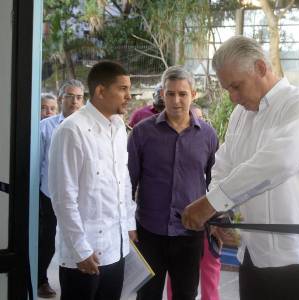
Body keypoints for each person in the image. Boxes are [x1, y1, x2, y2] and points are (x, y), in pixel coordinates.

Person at [182, 36, 299, 300]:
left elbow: (278, 162)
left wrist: (211, 203)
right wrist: (221, 216)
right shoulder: (241, 114)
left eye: (237, 86)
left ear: (261, 69)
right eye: (228, 89)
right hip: (253, 251)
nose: (232, 97)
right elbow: (224, 166)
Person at [48, 61, 137, 300]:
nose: (129, 96)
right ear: (100, 91)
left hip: (116, 248)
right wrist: (80, 250)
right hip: (84, 254)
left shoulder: (118, 127)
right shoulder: (72, 131)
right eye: (123, 89)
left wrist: (129, 223)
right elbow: (63, 197)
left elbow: (123, 179)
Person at [128, 66, 218, 300]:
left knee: (185, 295)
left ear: (193, 95)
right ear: (162, 95)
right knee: (147, 295)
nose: (176, 100)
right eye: (170, 94)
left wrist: (217, 222)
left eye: (182, 94)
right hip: (149, 232)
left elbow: (216, 183)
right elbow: (127, 182)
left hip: (190, 234)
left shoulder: (208, 136)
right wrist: (126, 224)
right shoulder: (142, 133)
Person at [166, 104, 222, 300]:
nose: (193, 122)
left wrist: (217, 216)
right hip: (178, 221)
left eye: (198, 118)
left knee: (210, 266)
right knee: (177, 275)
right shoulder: (170, 142)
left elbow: (217, 179)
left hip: (206, 219)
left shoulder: (209, 139)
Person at [38, 79, 85, 298]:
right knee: (47, 241)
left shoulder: (88, 128)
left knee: (76, 240)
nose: (74, 101)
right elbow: (36, 164)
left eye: (79, 97)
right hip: (48, 196)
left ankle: (79, 279)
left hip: (80, 198)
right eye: (69, 96)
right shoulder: (45, 127)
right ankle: (40, 279)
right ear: (60, 99)